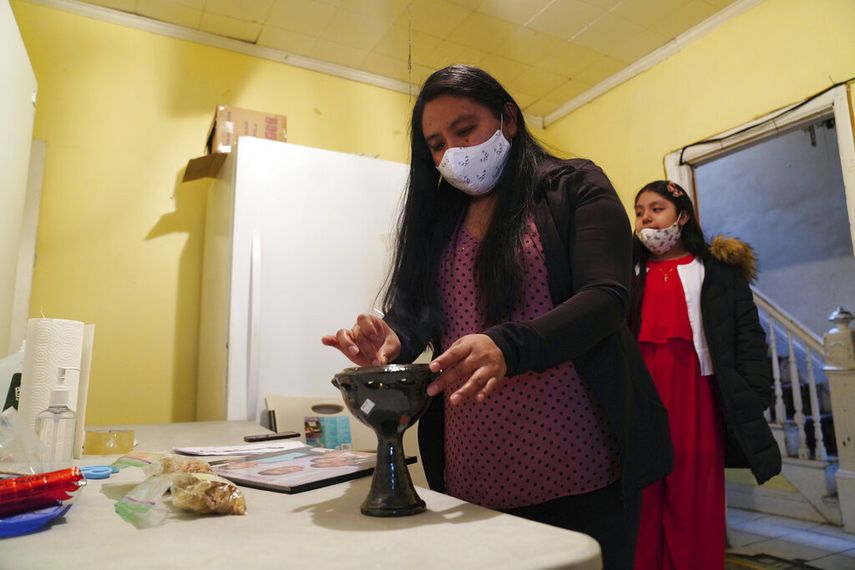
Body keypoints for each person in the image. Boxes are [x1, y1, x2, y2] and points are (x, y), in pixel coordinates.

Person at [322, 64, 672, 569]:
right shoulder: (441, 221)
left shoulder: (573, 185)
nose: (453, 153)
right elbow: (419, 315)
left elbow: (607, 297)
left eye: (465, 131)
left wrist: (508, 345)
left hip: (577, 459)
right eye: (437, 145)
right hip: (472, 468)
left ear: (507, 118)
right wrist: (390, 338)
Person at [630, 181, 782, 569]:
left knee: (693, 495)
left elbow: (747, 334)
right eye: (640, 210)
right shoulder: (625, 271)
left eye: (656, 208)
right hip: (640, 395)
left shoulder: (715, 272)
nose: (646, 218)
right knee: (642, 498)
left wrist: (753, 392)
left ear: (682, 217)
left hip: (696, 393)